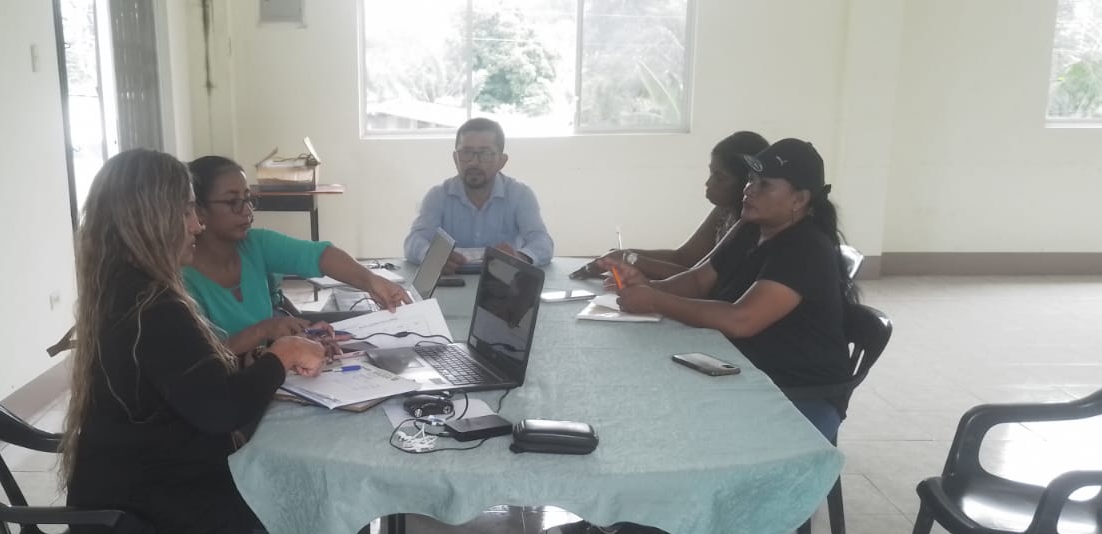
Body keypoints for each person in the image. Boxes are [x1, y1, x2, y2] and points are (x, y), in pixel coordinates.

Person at [61, 148, 339, 534]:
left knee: (299, 511)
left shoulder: (128, 290)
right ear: (153, 217)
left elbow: (192, 387)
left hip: (144, 490)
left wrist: (264, 361)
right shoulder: (152, 306)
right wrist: (280, 357)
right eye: (187, 210)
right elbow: (219, 412)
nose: (196, 224)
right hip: (143, 521)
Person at [541, 138, 854, 534]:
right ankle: (638, 509)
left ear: (799, 199)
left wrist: (656, 301)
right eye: (752, 180)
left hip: (792, 392)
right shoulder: (751, 228)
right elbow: (698, 280)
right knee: (636, 386)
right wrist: (646, 285)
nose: (750, 190)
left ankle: (647, 522)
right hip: (743, 367)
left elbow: (743, 320)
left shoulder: (805, 249)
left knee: (663, 408)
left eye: (765, 185)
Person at [187, 155, 410, 354]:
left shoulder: (256, 243)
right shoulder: (183, 279)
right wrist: (264, 330)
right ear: (199, 210)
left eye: (248, 199)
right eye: (232, 202)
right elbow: (203, 360)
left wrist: (371, 281)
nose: (246, 210)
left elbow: (321, 256)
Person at [571, 131, 769, 281]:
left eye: (720, 177)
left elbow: (696, 278)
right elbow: (683, 257)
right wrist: (622, 255)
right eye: (711, 173)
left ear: (748, 182)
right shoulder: (724, 212)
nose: (709, 183)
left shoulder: (752, 226)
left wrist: (628, 259)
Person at [403, 117, 554, 269]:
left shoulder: (520, 195)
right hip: (451, 278)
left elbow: (542, 241)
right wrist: (432, 256)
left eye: (485, 153)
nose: (474, 162)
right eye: (466, 152)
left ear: (502, 161)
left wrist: (520, 257)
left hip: (502, 279)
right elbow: (415, 240)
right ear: (455, 158)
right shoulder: (438, 196)